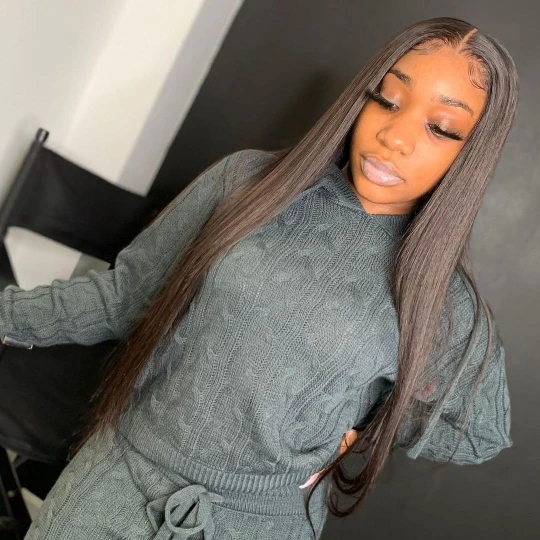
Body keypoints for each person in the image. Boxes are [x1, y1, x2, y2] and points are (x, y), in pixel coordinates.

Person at [0, 15, 517, 540]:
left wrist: (369, 428)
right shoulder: (247, 182)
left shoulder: (444, 301)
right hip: (117, 482)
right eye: (387, 99)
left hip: (262, 524)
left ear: (469, 154)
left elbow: (479, 433)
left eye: (441, 128)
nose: (394, 136)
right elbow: (122, 298)